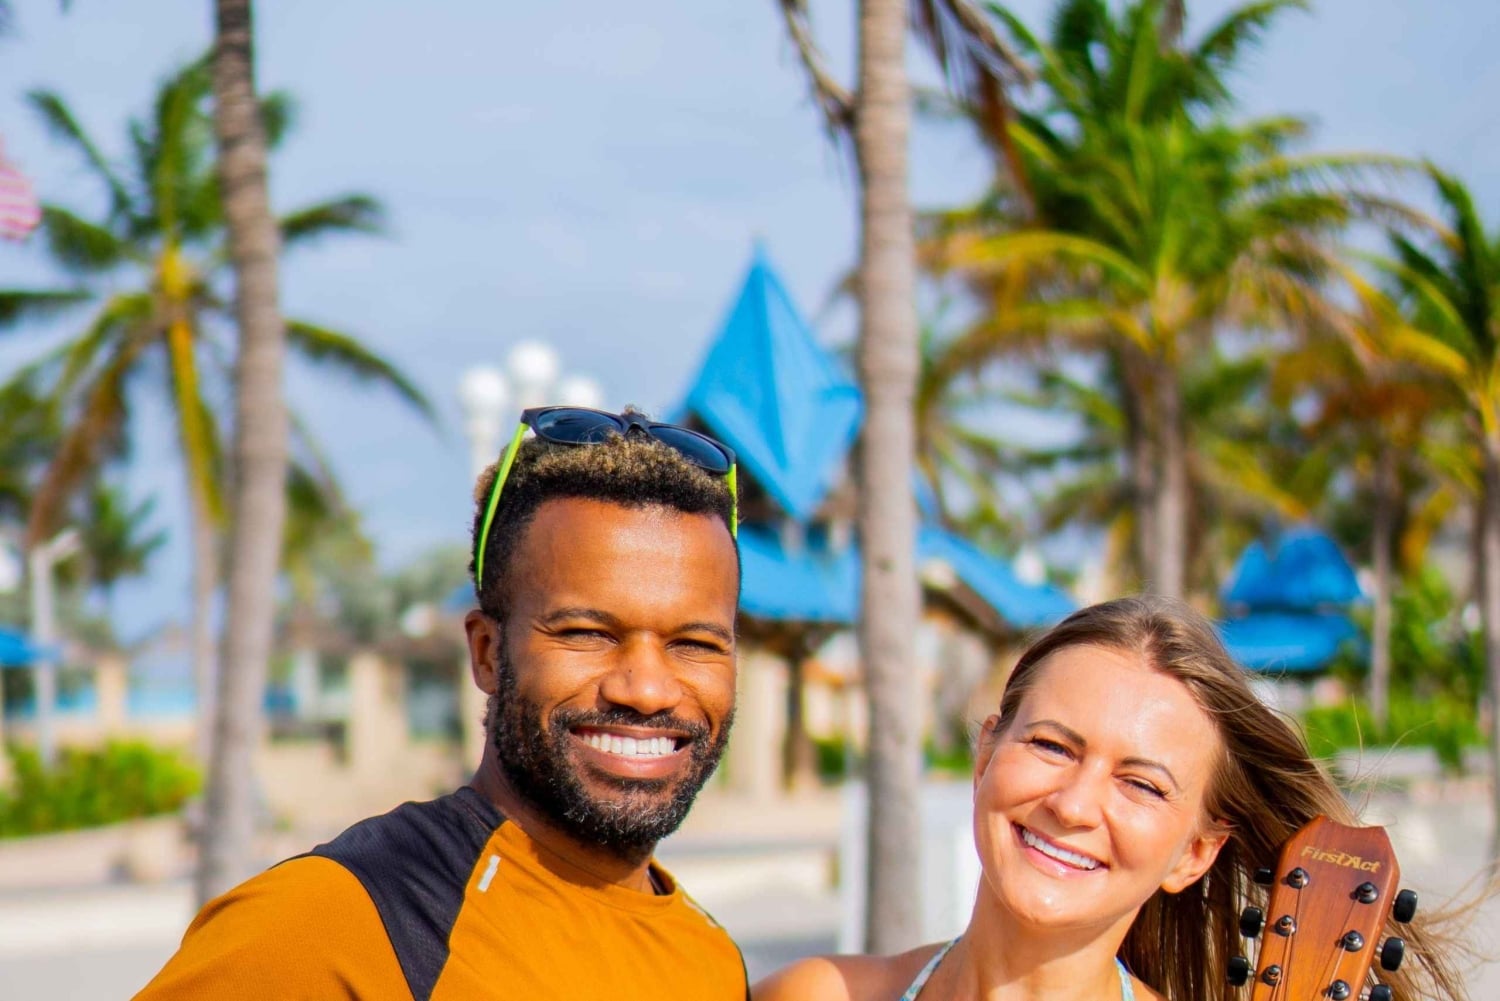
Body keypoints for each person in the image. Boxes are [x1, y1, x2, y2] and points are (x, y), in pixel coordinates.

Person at [137, 406, 750, 1000]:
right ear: (486, 652)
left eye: (694, 643)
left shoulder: (709, 951)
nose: (645, 690)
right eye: (587, 634)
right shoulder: (338, 919)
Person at [755, 594, 1470, 1001]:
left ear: (1193, 852)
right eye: (1052, 746)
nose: (1073, 803)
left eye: (1140, 783)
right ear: (985, 754)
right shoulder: (820, 995)